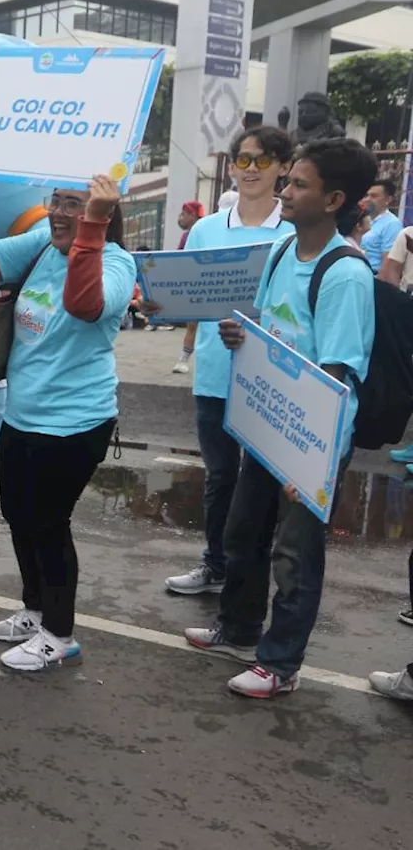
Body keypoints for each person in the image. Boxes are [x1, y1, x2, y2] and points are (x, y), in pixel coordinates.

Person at [185, 138, 377, 698]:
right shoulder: (279, 253)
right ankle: (239, 627)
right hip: (271, 426)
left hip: (313, 439)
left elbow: (337, 374)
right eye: (287, 180)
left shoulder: (345, 274)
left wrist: (311, 466)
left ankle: (280, 663)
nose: (285, 191)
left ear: (335, 199)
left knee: (295, 554)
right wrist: (239, 334)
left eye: (298, 184)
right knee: (243, 531)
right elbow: (268, 329)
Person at [0, 165, 135, 670]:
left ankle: (60, 634)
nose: (59, 213)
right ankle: (34, 610)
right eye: (57, 200)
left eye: (75, 203)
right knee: (19, 516)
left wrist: (91, 228)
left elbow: (84, 303)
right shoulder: (40, 249)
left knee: (49, 524)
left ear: (103, 211)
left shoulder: (115, 263)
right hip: (22, 414)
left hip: (75, 423)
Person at [163, 126, 294, 596]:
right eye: (243, 160)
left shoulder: (295, 231)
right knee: (220, 476)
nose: (251, 169)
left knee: (265, 483)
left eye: (262, 160)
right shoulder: (205, 229)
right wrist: (160, 304)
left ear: (283, 166)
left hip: (274, 378)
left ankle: (257, 571)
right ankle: (215, 565)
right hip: (217, 373)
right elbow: (184, 295)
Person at [172, 200, 205, 373]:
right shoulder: (196, 232)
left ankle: (184, 359)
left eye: (184, 214)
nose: (181, 218)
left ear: (192, 215)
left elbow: (180, 259)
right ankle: (184, 359)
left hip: (199, 285)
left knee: (193, 324)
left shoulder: (194, 233)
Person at [359, 178, 400, 272]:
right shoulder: (362, 220)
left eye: (374, 196)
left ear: (388, 200)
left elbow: (389, 261)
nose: (368, 199)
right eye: (367, 195)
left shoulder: (392, 224)